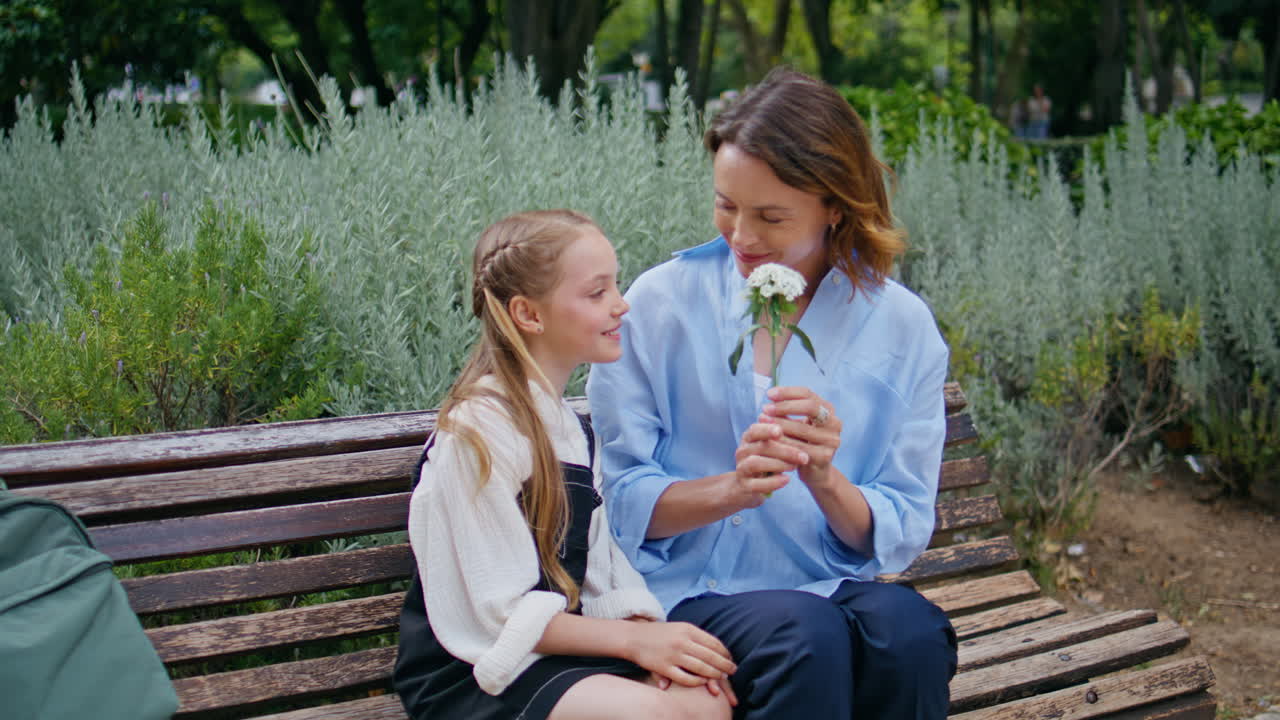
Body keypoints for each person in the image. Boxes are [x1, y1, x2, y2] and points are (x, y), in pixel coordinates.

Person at [587, 68, 958, 719]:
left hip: (828, 583)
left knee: (911, 636)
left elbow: (900, 527)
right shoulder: (659, 303)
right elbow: (619, 500)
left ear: (836, 205)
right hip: (687, 594)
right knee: (804, 637)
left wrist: (823, 477)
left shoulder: (902, 329)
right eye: (726, 205)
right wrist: (735, 488)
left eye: (771, 216)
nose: (741, 237)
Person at [393, 210, 737, 720]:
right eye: (597, 293)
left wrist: (652, 638)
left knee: (701, 700)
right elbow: (498, 614)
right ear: (530, 315)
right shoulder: (478, 433)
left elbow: (602, 574)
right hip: (478, 670)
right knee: (655, 715)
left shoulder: (570, 431)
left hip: (558, 652)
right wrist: (635, 645)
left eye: (614, 287)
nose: (622, 306)